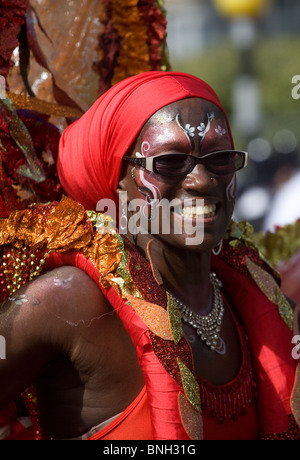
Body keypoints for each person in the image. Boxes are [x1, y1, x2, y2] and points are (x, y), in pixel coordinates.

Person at [0, 71, 299, 441]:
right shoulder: (65, 302)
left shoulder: (269, 311)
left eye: (219, 159)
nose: (202, 181)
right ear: (116, 181)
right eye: (170, 162)